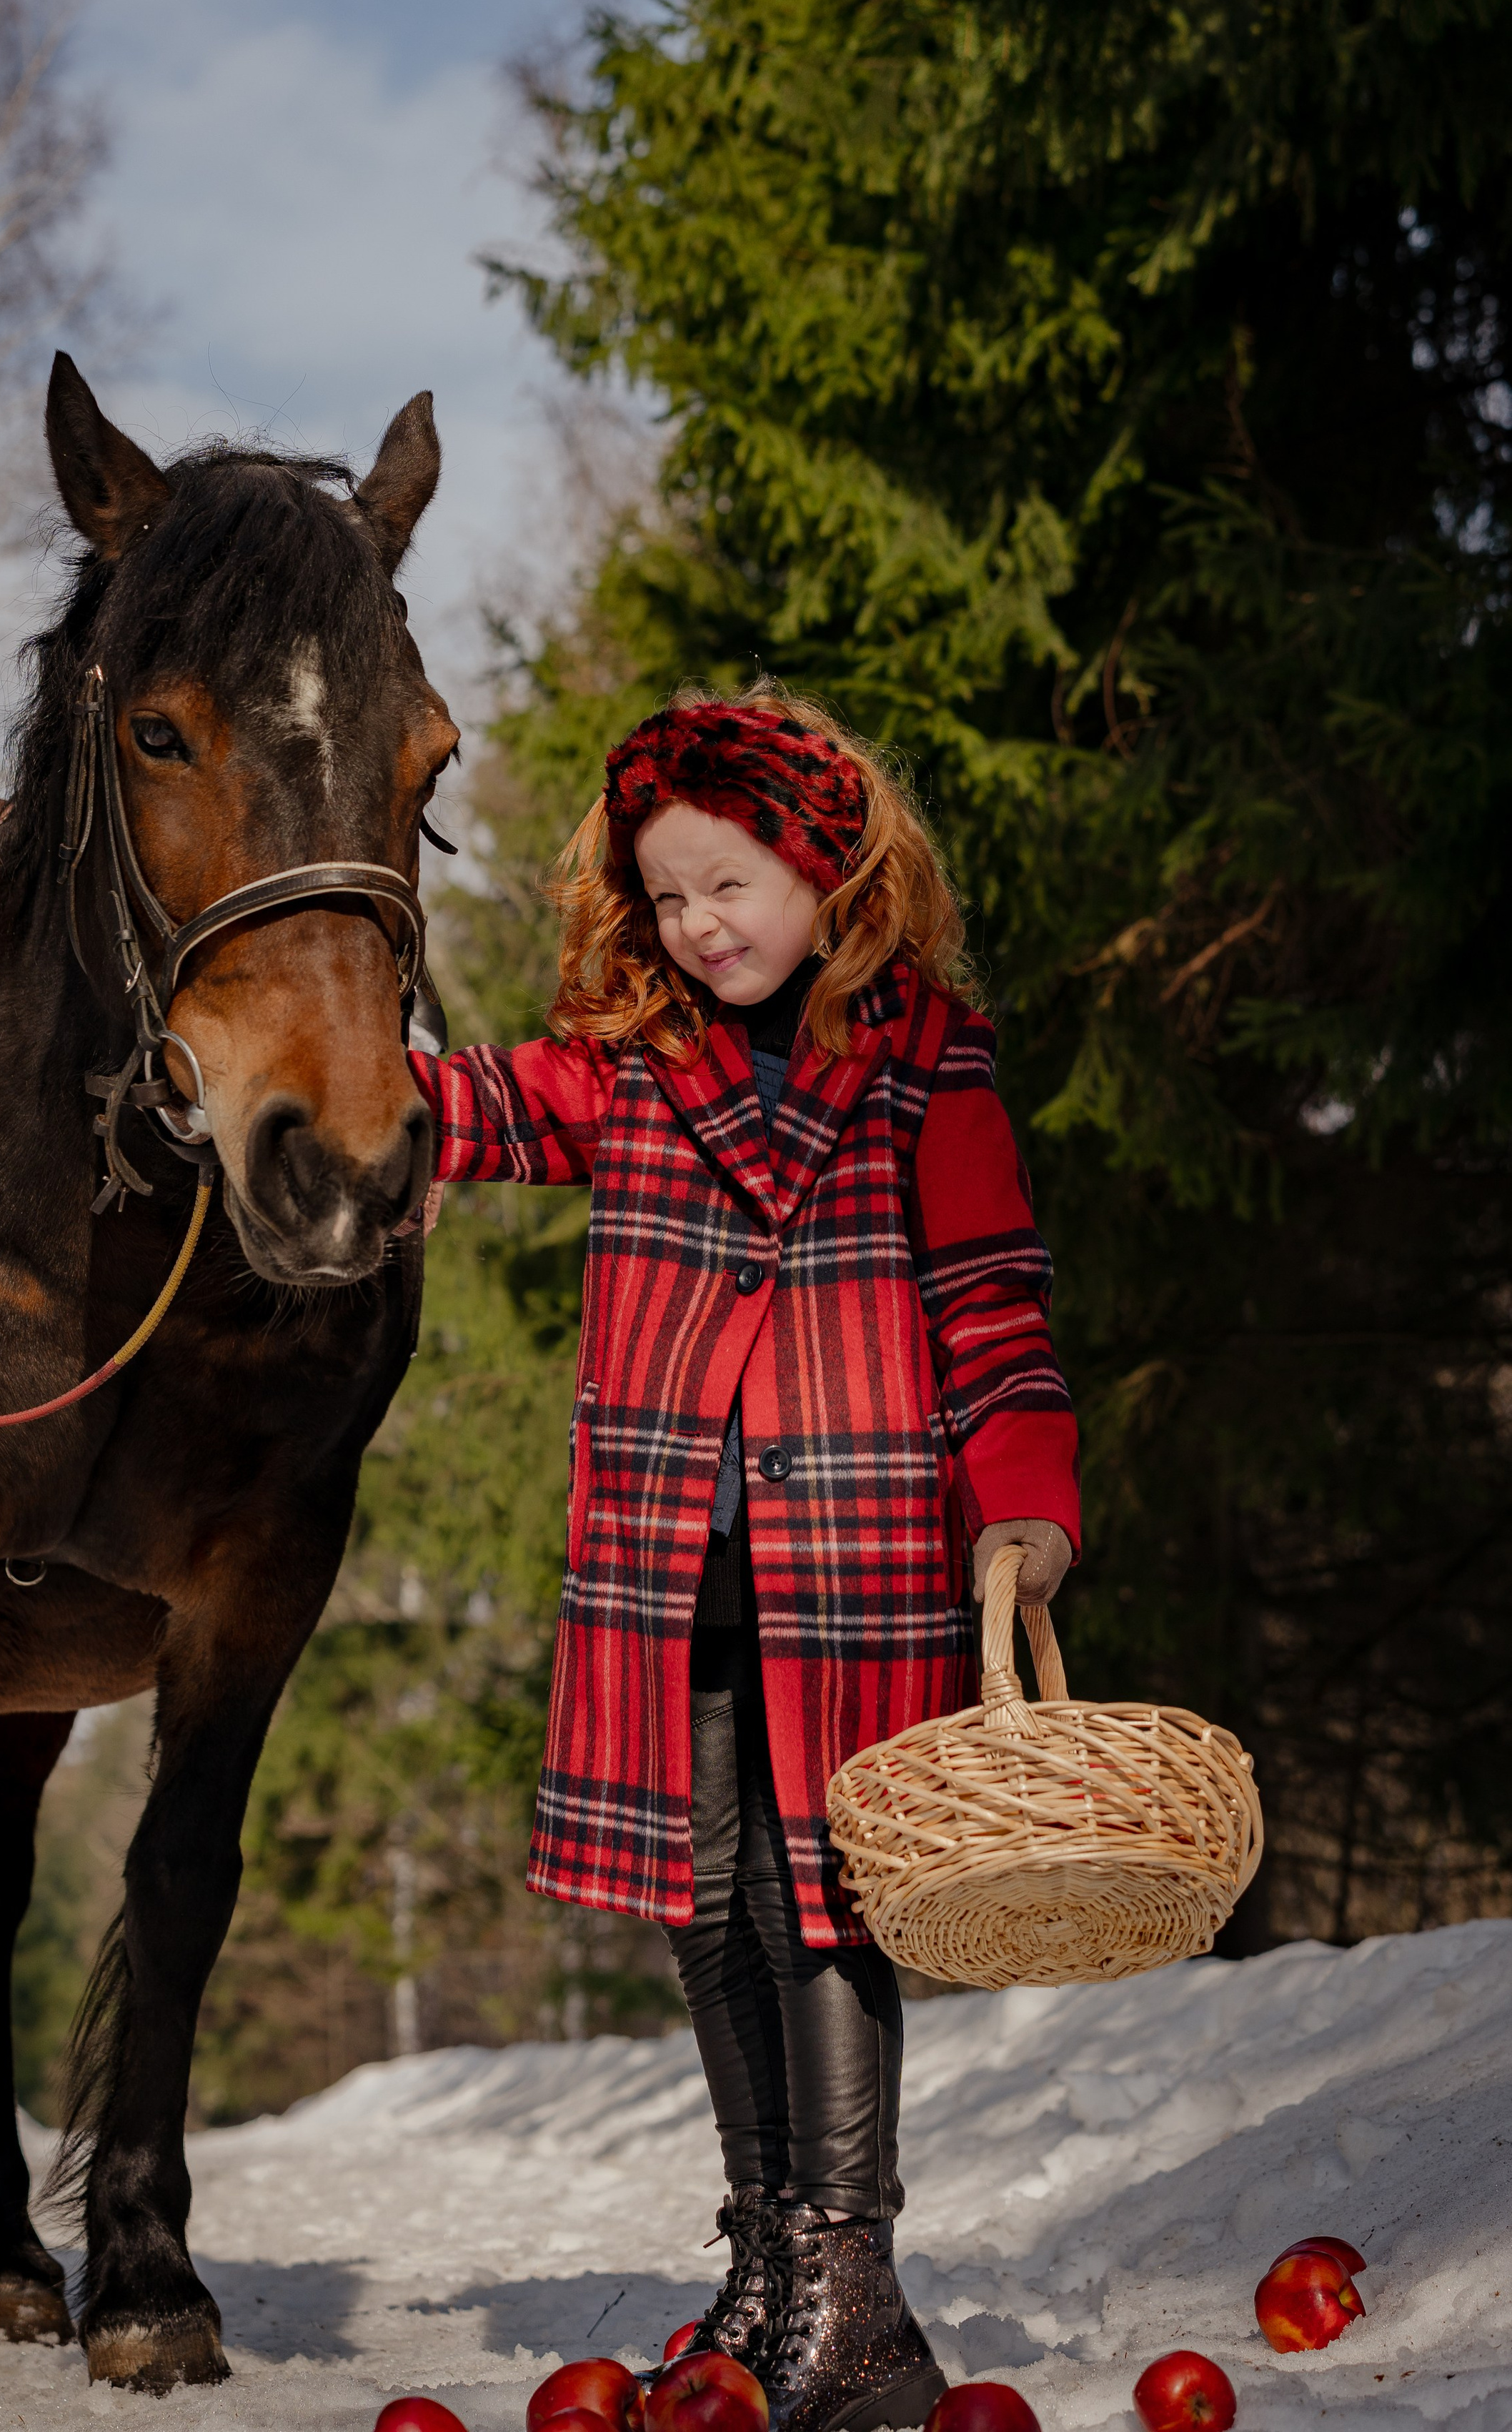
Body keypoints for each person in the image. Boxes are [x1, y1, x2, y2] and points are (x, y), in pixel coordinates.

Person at [407, 683, 1079, 2432]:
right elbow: (470, 1106)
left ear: (827, 866)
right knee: (704, 1909)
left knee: (818, 1904)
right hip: (666, 1557)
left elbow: (988, 1295)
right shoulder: (639, 1065)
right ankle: (772, 2256)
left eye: (731, 885)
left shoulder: (926, 1055)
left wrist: (1022, 1494)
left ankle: (854, 2292)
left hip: (851, 1548)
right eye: (669, 896)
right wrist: (315, 1073)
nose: (701, 926)